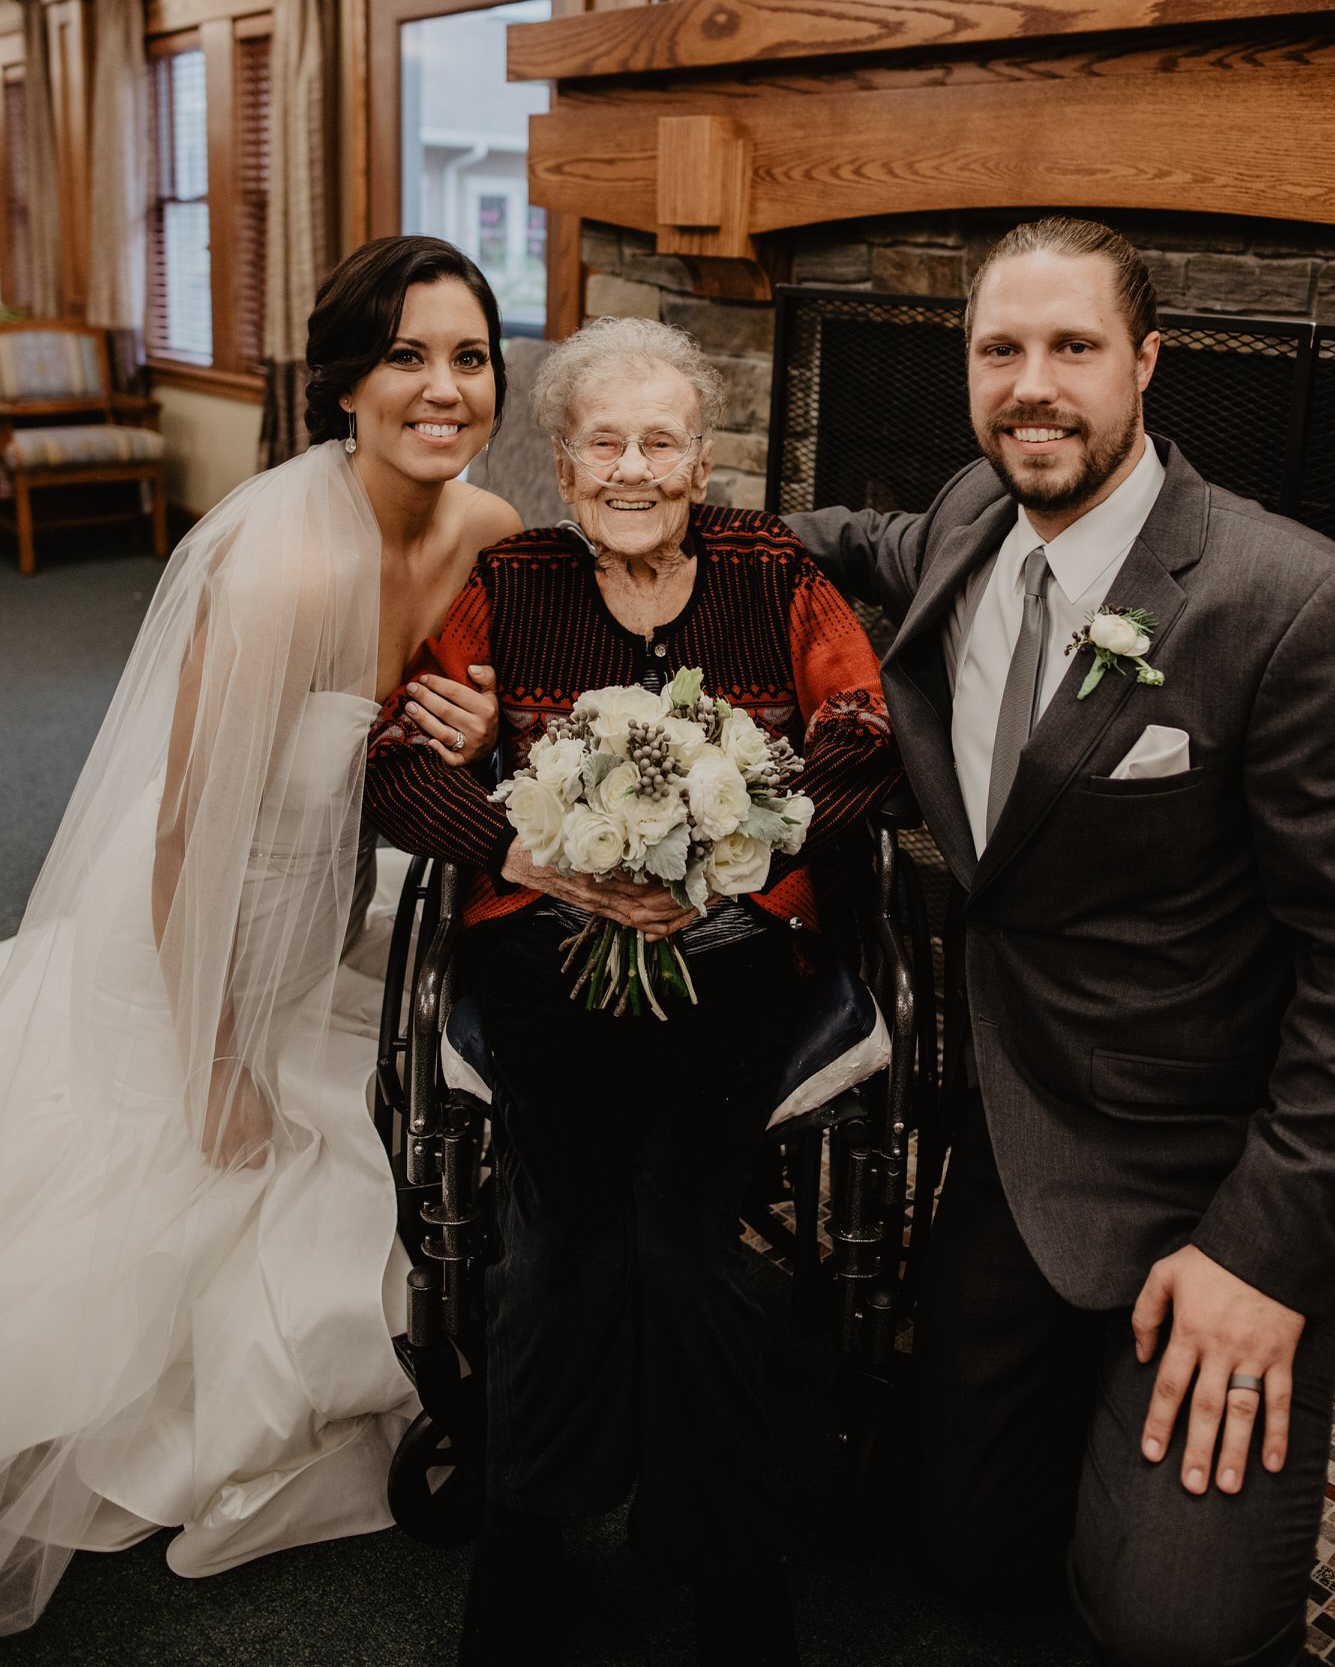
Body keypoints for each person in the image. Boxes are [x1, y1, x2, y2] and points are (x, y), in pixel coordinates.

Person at [790, 215, 1335, 1666]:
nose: (1034, 384)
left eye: (1074, 347)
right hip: (1020, 1126)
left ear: (1149, 363)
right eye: (1001, 349)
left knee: (1175, 1631)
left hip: (1209, 1161)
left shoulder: (1285, 602)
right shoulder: (973, 513)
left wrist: (1266, 1255)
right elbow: (844, 542)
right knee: (957, 1549)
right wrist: (646, 540)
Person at [0, 234, 517, 1632]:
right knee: (237, 1214)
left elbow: (514, 730)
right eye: (406, 354)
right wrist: (214, 1054)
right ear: (344, 381)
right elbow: (181, 843)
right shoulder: (280, 571)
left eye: (469, 356)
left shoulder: (490, 536)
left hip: (322, 913)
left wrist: (495, 728)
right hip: (197, 936)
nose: (444, 387)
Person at [364, 315, 896, 1667]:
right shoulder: (513, 577)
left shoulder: (770, 570)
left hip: (739, 953)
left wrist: (742, 848)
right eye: (607, 442)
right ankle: (530, 1534)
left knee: (683, 1231)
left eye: (663, 441)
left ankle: (729, 1558)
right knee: (566, 1236)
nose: (636, 468)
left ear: (703, 460)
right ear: (563, 459)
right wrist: (523, 846)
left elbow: (862, 736)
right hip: (548, 946)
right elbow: (395, 762)